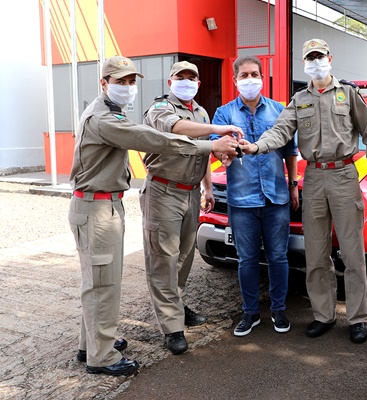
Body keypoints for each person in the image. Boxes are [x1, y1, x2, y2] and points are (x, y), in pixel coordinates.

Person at [68, 55, 238, 376]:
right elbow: (153, 138)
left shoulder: (111, 112)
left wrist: (207, 182)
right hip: (100, 207)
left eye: (132, 82)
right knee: (106, 282)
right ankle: (101, 356)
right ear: (104, 84)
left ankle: (91, 343)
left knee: (101, 281)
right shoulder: (105, 119)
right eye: (121, 82)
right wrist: (210, 145)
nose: (128, 88)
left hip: (107, 204)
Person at [239, 39, 367, 344]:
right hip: (315, 179)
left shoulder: (348, 94)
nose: (316, 62)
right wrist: (256, 147)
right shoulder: (299, 99)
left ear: (330, 58)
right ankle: (324, 315)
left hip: (345, 174)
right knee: (316, 253)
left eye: (320, 56)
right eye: (310, 58)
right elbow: (280, 131)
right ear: (304, 64)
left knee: (352, 253)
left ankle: (357, 318)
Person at [141, 61, 242, 355]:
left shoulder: (200, 110)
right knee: (163, 259)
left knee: (184, 258)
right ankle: (172, 327)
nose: (186, 82)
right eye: (180, 77)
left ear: (198, 83)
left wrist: (208, 187)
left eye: (192, 78)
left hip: (190, 193)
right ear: (170, 81)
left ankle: (177, 304)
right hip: (163, 191)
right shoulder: (160, 108)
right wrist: (217, 129)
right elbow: (176, 130)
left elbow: (205, 152)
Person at [210, 56, 299, 337]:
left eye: (255, 74)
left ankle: (278, 309)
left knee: (278, 257)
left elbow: (290, 151)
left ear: (263, 77)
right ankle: (250, 313)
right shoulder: (224, 114)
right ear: (235, 80)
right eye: (245, 75)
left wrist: (293, 185)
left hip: (276, 197)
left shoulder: (278, 110)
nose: (251, 79)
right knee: (246, 260)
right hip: (242, 200)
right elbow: (216, 148)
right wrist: (224, 153)